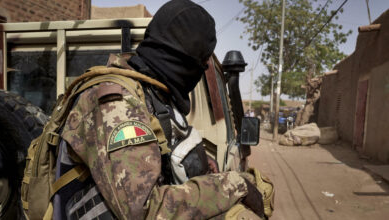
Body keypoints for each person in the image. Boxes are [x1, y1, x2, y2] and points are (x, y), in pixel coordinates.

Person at [53, 0, 266, 219]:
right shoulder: (119, 104)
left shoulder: (152, 94)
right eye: (201, 63)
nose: (201, 70)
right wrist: (232, 185)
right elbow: (143, 210)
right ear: (184, 61)